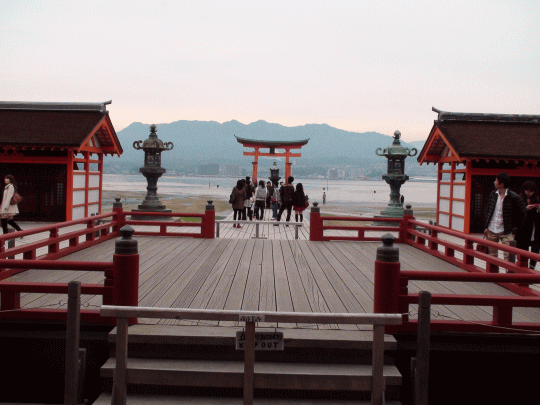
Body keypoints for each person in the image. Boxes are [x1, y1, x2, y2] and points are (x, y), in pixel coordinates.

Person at [484, 172, 526, 262]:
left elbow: (522, 213)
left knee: (509, 256)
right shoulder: (493, 194)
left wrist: (514, 227)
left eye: (496, 180)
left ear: (502, 184)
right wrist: (486, 226)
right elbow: (488, 210)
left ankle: (508, 272)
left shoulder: (514, 197)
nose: (494, 182)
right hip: (491, 229)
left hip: (506, 231)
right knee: (492, 257)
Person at [516, 181, 540, 270]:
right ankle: (523, 269)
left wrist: (538, 210)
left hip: (535, 229)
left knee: (535, 250)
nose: (529, 193)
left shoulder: (537, 199)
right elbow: (515, 213)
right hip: (523, 229)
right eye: (527, 190)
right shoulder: (519, 199)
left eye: (531, 191)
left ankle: (531, 269)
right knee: (523, 250)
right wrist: (525, 209)